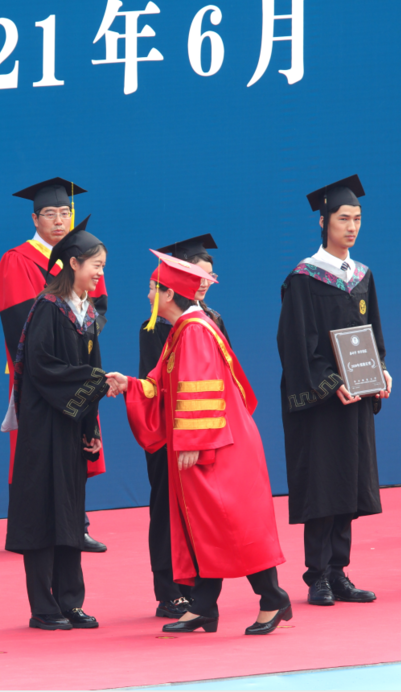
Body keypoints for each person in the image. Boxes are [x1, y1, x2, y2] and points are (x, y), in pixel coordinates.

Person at [110, 251, 291, 636]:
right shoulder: (185, 328)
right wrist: (130, 385)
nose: (148, 295)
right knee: (206, 523)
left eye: (153, 288)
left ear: (169, 293)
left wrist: (193, 439)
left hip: (217, 445)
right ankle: (204, 605)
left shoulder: (194, 331)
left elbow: (200, 388)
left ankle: (273, 597)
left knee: (231, 523)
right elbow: (161, 383)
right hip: (213, 439)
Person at [277, 175, 391, 607]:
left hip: (356, 397)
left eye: (357, 218)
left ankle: (339, 571)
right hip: (322, 402)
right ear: (323, 221)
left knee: (349, 483)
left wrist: (381, 371)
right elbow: (295, 344)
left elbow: (373, 334)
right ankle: (317, 575)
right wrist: (330, 384)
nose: (352, 226)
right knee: (324, 485)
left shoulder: (362, 276)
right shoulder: (304, 278)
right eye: (344, 218)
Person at [4, 217, 113, 630]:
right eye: (96, 266)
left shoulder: (86, 313)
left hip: (70, 428)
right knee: (42, 515)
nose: (100, 274)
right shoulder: (48, 308)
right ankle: (43, 608)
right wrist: (97, 381)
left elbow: (92, 368)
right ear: (73, 264)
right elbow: (43, 368)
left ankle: (71, 601)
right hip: (43, 428)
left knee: (70, 513)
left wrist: (90, 430)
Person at [0, 177, 108, 553]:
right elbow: (20, 323)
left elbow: (98, 308)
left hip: (77, 369)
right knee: (36, 449)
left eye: (64, 212)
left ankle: (76, 523)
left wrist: (79, 348)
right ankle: (32, 527)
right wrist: (55, 361)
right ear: (35, 218)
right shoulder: (17, 260)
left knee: (78, 441)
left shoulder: (83, 254)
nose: (59, 220)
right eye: (49, 213)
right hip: (41, 373)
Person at [138, 234, 227, 619]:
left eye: (209, 276)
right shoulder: (156, 326)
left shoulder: (212, 321)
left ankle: (199, 589)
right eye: (197, 275)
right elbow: (154, 383)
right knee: (166, 508)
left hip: (203, 433)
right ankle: (169, 590)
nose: (204, 282)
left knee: (203, 511)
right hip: (170, 435)